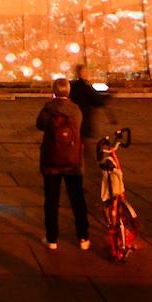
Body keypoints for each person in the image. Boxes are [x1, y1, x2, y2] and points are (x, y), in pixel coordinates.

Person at [37, 78, 89, 250]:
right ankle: (83, 237)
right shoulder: (75, 110)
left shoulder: (48, 108)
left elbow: (39, 124)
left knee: (51, 200)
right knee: (77, 199)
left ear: (54, 91)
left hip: (52, 161)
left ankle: (52, 239)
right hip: (73, 161)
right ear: (68, 91)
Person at [68, 65, 107, 148]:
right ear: (81, 73)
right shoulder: (85, 87)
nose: (88, 74)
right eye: (86, 72)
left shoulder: (72, 86)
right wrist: (106, 98)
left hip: (73, 121)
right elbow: (98, 101)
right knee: (85, 148)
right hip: (84, 122)